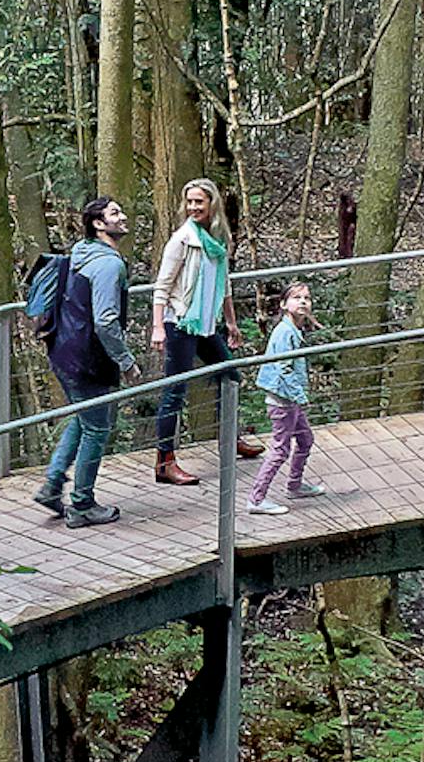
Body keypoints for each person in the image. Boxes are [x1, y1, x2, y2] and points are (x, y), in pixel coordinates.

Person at [146, 177, 262, 483]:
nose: (194, 207)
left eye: (200, 201)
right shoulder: (182, 239)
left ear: (212, 204)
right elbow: (162, 286)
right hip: (181, 323)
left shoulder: (218, 239)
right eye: (190, 202)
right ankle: (164, 462)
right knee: (175, 391)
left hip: (205, 325)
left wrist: (232, 322)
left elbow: (222, 285)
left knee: (230, 375)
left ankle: (230, 438)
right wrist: (158, 327)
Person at [33, 196, 138, 526]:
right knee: (97, 427)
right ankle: (82, 504)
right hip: (87, 358)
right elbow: (106, 321)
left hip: (63, 349)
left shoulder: (81, 252)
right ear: (98, 224)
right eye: (114, 213)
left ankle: (52, 485)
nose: (122, 217)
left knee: (84, 417)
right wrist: (125, 360)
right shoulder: (108, 265)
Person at [243, 278, 327, 514]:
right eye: (296, 297)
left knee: (305, 440)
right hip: (283, 401)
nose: (303, 301)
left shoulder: (295, 329)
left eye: (306, 298)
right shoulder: (284, 333)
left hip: (290, 400)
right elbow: (283, 368)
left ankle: (295, 484)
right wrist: (300, 396)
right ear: (283, 304)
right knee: (280, 449)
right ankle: (256, 499)